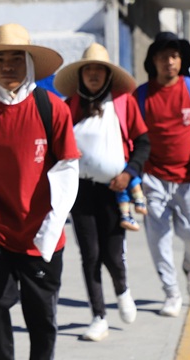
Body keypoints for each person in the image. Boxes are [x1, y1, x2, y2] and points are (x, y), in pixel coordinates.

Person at [0, 23, 80, 359]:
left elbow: (67, 170)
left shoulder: (52, 108)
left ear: (30, 62)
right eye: (0, 58)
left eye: (16, 58)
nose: (8, 66)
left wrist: (53, 225)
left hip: (41, 234)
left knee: (41, 320)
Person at [53, 42, 150, 341]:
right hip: (80, 191)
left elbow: (144, 143)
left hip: (114, 191)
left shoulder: (123, 103)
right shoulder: (68, 105)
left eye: (99, 70)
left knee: (112, 254)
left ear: (108, 75)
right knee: (89, 255)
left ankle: (122, 289)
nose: (93, 74)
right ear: (81, 75)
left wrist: (129, 172)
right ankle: (98, 316)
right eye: (88, 69)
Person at [136, 32, 190, 318]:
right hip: (153, 178)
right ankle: (171, 292)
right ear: (153, 62)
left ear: (181, 61)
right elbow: (132, 137)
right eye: (162, 57)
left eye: (174, 56)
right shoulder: (142, 95)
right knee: (158, 239)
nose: (168, 62)